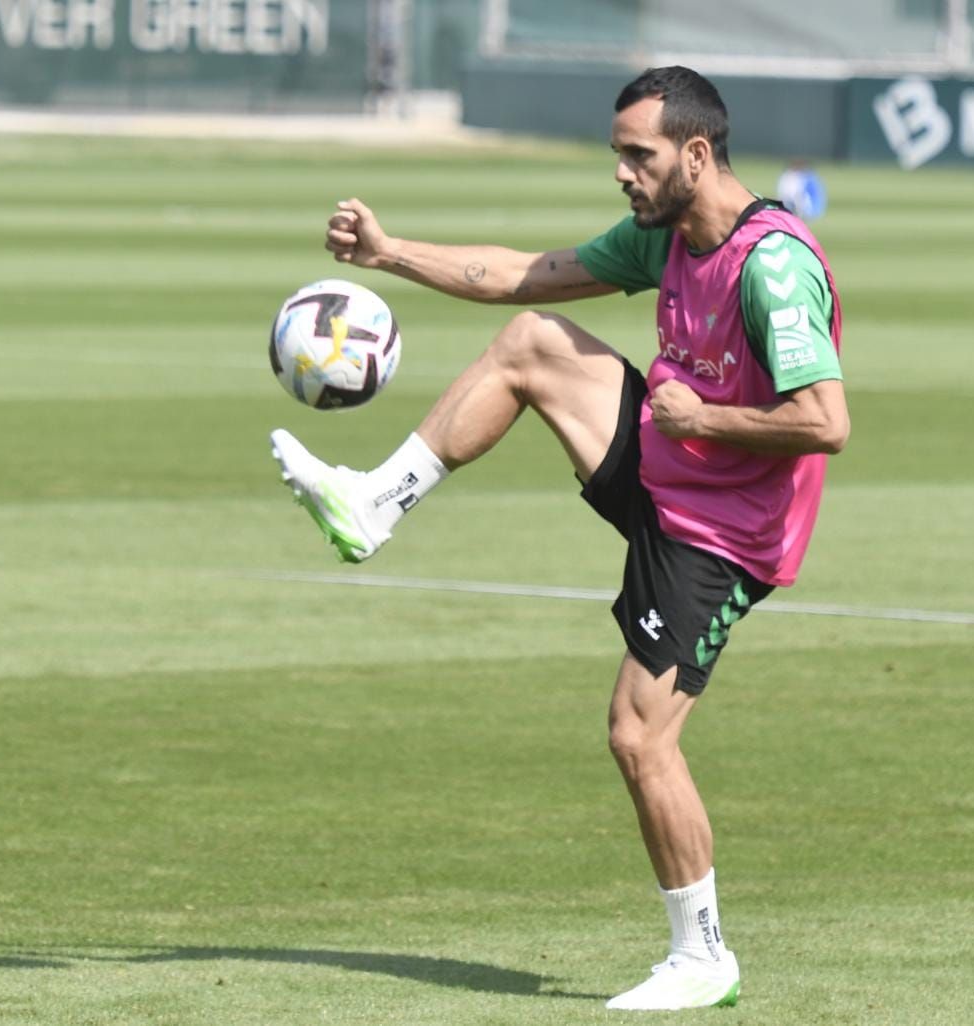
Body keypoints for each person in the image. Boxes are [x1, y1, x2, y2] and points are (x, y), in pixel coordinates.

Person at [269, 65, 847, 1011]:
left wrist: (703, 421)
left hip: (724, 533)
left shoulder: (770, 264)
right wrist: (386, 253)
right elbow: (520, 276)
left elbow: (826, 421)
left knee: (637, 737)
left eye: (638, 155)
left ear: (696, 157)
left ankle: (703, 958)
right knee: (535, 339)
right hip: (668, 463)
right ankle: (374, 504)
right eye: (618, 153)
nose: (621, 172)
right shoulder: (666, 235)